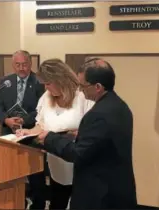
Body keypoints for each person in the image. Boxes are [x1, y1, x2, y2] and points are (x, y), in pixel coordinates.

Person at [36, 58, 137, 209]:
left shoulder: (98, 114)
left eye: (83, 86)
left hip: (101, 193)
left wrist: (49, 138)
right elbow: (98, 141)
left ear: (97, 87)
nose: (81, 90)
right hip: (116, 187)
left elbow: (78, 154)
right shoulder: (120, 106)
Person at [16, 58, 94, 210]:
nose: (45, 87)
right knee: (57, 202)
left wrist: (68, 135)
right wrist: (28, 132)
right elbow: (41, 125)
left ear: (61, 79)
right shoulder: (46, 98)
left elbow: (91, 130)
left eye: (48, 83)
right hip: (56, 162)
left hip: (78, 162)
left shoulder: (83, 97)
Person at [0, 50, 46, 209]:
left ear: (30, 64)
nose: (21, 68)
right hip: (9, 132)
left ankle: (38, 204)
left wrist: (24, 120)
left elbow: (42, 110)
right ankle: (17, 201)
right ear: (13, 65)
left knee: (35, 172)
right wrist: (6, 120)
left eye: (25, 64)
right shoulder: (5, 81)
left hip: (32, 133)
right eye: (18, 65)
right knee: (11, 171)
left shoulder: (39, 82)